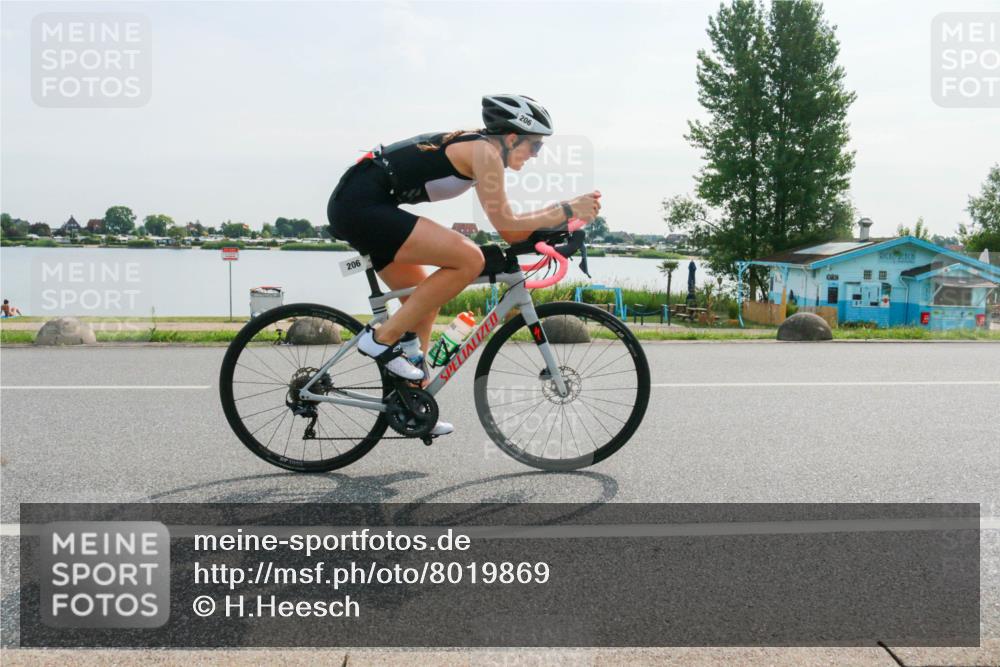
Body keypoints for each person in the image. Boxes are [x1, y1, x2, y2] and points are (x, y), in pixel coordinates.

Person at [327, 94, 600, 435]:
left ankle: (411, 404)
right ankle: (381, 339)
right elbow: (509, 228)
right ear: (512, 137)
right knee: (468, 258)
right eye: (535, 146)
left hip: (360, 204)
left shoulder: (482, 148)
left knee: (422, 304)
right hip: (360, 206)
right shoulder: (485, 153)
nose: (534, 155)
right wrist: (567, 210)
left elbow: (512, 226)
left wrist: (559, 220)